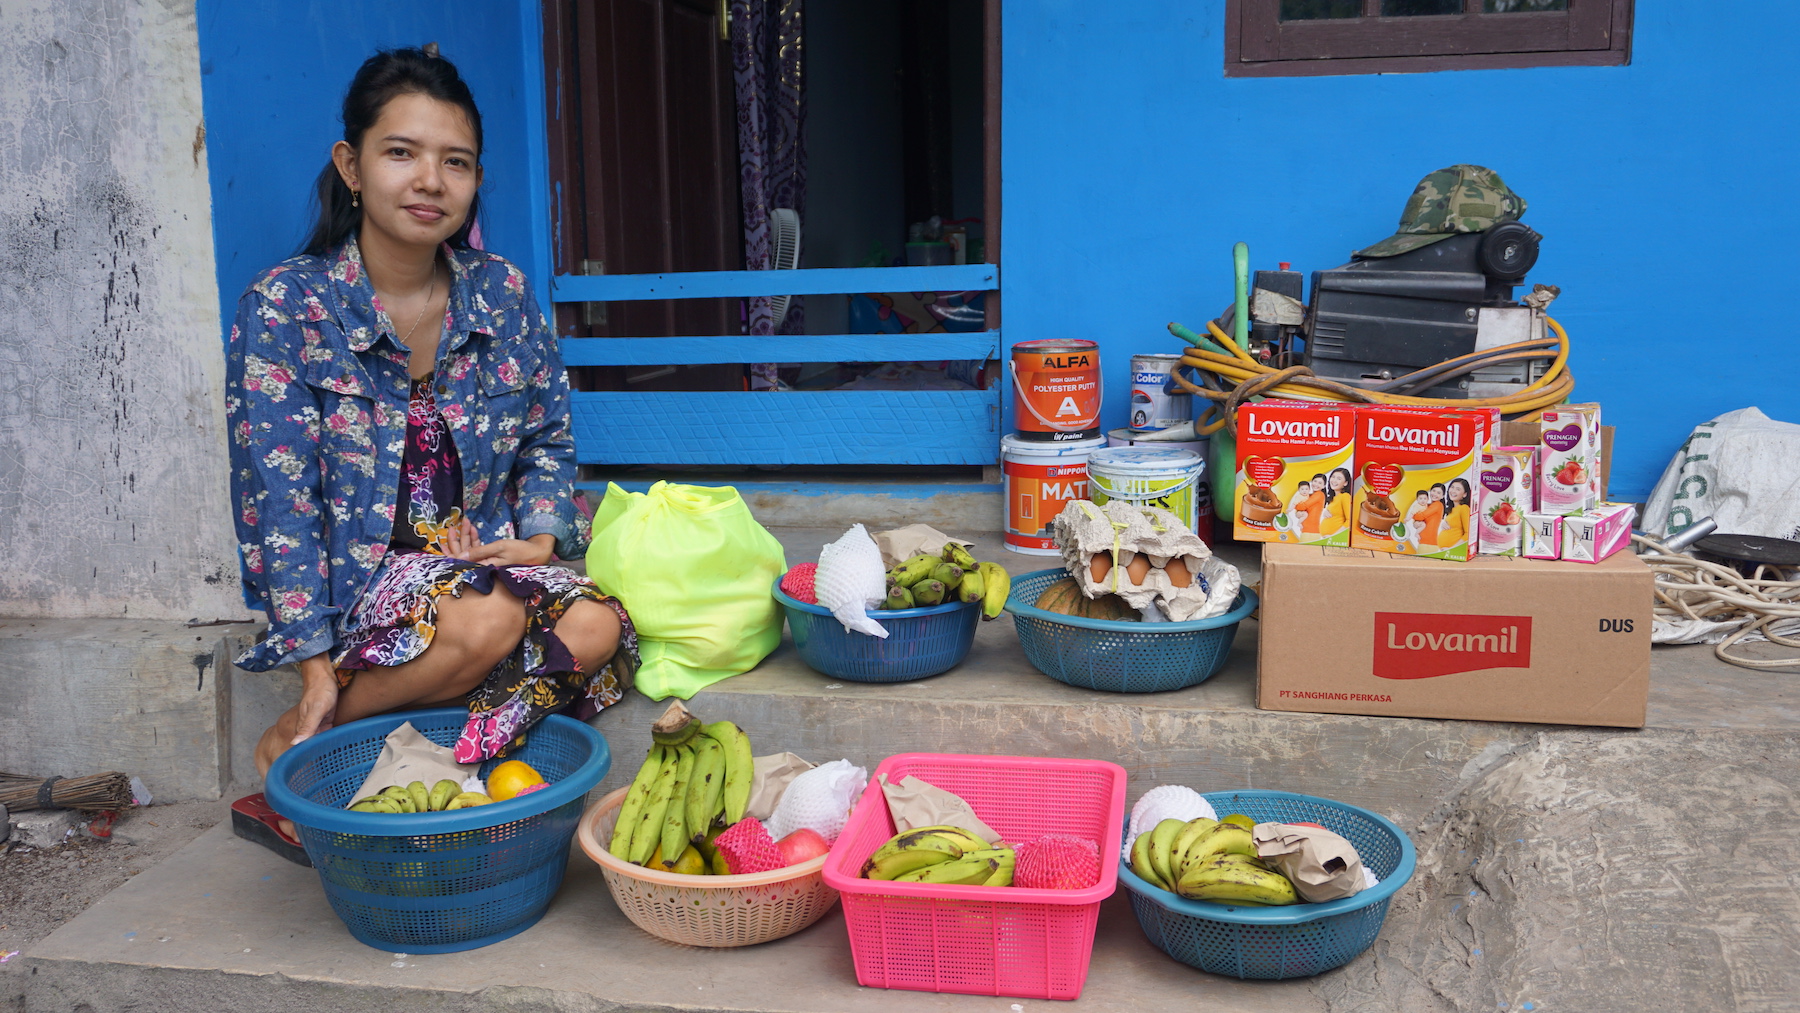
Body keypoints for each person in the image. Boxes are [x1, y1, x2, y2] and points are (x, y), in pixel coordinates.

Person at [224, 48, 636, 859]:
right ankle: (311, 739)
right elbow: (279, 506)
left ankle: (453, 773)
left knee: (594, 627)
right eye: (401, 152)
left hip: (476, 564)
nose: (430, 181)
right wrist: (311, 667)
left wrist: (542, 539)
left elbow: (549, 440)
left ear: (477, 180)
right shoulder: (287, 308)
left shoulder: (503, 292)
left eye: (456, 162)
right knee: (489, 616)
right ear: (351, 164)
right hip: (367, 588)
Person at [1439, 478, 1473, 550]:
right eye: (1452, 487)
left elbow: (1468, 534)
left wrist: (1451, 549)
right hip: (1444, 552)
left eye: (1458, 489)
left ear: (1464, 494)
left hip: (1453, 551)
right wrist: (1443, 524)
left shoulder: (1464, 508)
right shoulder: (1451, 510)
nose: (1453, 491)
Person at [1318, 468, 1353, 537]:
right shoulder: (1333, 498)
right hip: (1327, 539)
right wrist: (1325, 511)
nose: (1334, 480)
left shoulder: (1345, 496)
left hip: (1335, 539)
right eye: (1333, 477)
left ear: (1345, 483)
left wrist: (1334, 536)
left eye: (1339, 478)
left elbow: (1349, 521)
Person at [1416, 484, 1446, 548]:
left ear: (1442, 496)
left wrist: (1415, 515)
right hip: (1424, 542)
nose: (1435, 494)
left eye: (1438, 493)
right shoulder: (1428, 506)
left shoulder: (1438, 505)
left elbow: (1420, 516)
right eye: (1434, 491)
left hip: (1429, 543)